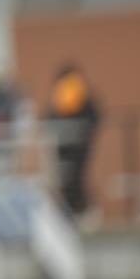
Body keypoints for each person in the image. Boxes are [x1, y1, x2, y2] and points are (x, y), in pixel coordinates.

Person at [48, 63, 102, 217]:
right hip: (66, 143)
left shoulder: (77, 92)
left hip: (75, 143)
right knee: (69, 178)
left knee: (75, 178)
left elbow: (92, 115)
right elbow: (54, 114)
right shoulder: (68, 91)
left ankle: (82, 209)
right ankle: (74, 210)